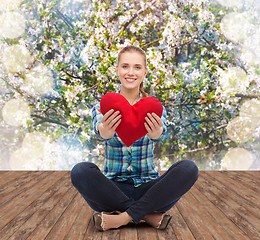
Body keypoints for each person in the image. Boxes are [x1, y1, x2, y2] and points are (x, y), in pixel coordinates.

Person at [70, 45, 199, 231]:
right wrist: (105, 131)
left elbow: (161, 133)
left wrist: (156, 134)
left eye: (137, 67)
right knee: (80, 171)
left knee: (188, 168)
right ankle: (146, 216)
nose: (131, 72)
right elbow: (99, 130)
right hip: (112, 191)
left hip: (151, 190)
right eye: (125, 66)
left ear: (145, 72)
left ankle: (121, 218)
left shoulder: (154, 107)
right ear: (117, 70)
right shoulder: (103, 107)